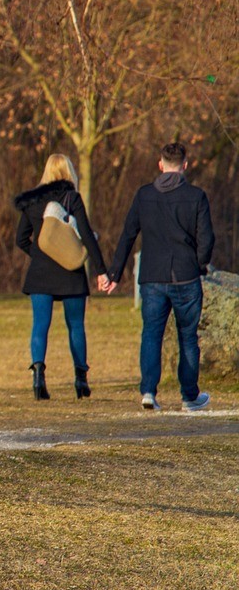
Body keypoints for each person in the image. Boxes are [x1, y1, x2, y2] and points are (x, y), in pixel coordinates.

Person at [103, 142, 215, 412]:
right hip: (186, 276)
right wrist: (200, 264)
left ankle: (148, 391)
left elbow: (128, 234)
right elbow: (207, 239)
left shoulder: (144, 195)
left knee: (151, 334)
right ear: (185, 165)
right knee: (188, 337)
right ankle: (189, 396)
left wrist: (114, 273)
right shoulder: (196, 196)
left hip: (152, 276)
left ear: (160, 164)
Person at [13, 154, 108, 400]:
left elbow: (20, 239)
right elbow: (86, 235)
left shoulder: (33, 200)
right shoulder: (72, 198)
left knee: (40, 325)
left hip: (40, 274)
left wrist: (39, 255)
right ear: (69, 172)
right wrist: (102, 270)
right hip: (70, 272)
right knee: (75, 325)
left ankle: (38, 378)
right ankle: (81, 379)